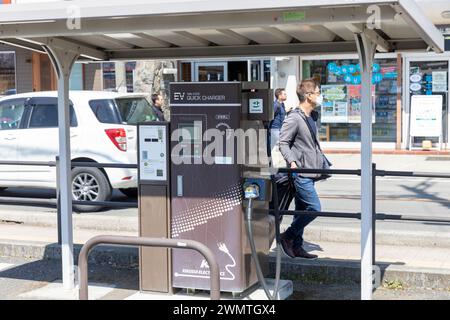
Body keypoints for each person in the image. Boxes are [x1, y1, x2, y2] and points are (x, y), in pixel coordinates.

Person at [278, 78, 325, 259]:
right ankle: (287, 236)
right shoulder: (295, 117)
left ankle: (297, 246)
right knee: (314, 208)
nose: (320, 96)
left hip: (311, 170)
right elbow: (283, 143)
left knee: (301, 208)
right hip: (300, 172)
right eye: (318, 93)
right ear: (308, 95)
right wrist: (292, 162)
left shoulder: (312, 116)